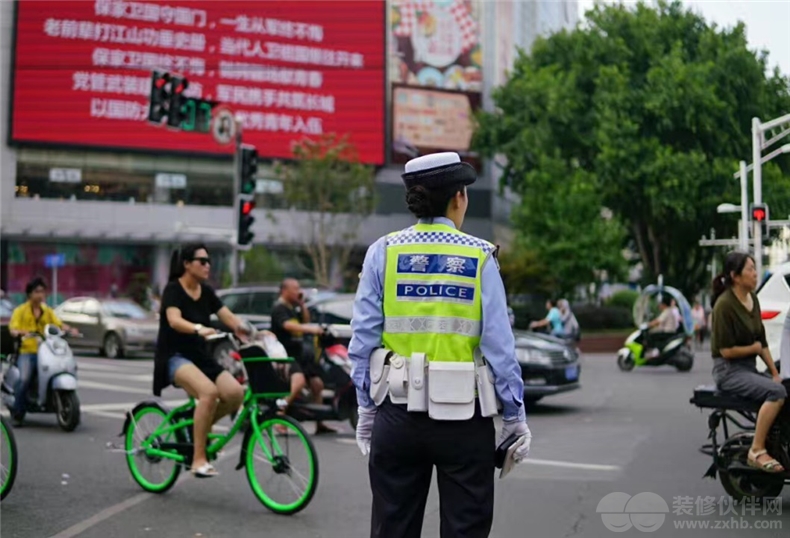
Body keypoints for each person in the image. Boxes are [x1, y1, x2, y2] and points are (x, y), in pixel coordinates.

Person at [349, 152, 531, 538]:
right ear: (459, 197)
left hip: (396, 415)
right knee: (465, 529)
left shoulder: (383, 252)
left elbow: (363, 339)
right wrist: (514, 414)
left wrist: (366, 408)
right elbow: (500, 346)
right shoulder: (480, 256)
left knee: (392, 528)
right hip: (465, 421)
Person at [153, 244, 249, 478]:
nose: (208, 266)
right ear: (187, 264)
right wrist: (198, 328)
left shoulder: (206, 291)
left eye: (209, 262)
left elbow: (228, 317)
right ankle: (198, 459)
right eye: (202, 261)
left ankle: (197, 425)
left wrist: (251, 332)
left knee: (235, 393)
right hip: (174, 356)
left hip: (200, 356)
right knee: (208, 393)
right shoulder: (173, 289)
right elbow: (174, 320)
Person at [710, 251, 786, 473]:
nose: (755, 273)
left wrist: (775, 373)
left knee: (784, 386)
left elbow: (762, 341)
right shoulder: (724, 305)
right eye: (750, 269)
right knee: (776, 393)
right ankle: (756, 450)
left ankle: (777, 444)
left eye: (755, 268)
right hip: (729, 371)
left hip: (749, 368)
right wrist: (753, 349)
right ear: (735, 276)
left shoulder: (753, 299)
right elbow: (725, 351)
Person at [270, 278, 336, 434]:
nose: (298, 292)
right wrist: (311, 330)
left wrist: (302, 304)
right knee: (298, 382)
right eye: (295, 289)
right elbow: (288, 325)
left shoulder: (294, 308)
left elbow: (305, 320)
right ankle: (280, 413)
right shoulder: (279, 308)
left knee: (317, 385)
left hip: (300, 354)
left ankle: (319, 423)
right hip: (285, 355)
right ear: (284, 290)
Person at [7, 277, 77, 425]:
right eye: (37, 292)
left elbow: (58, 324)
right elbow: (13, 328)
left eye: (43, 292)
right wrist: (19, 332)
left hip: (46, 351)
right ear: (30, 294)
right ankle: (18, 413)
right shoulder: (20, 311)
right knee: (24, 379)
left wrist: (70, 330)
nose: (41, 295)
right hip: (28, 351)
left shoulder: (47, 311)